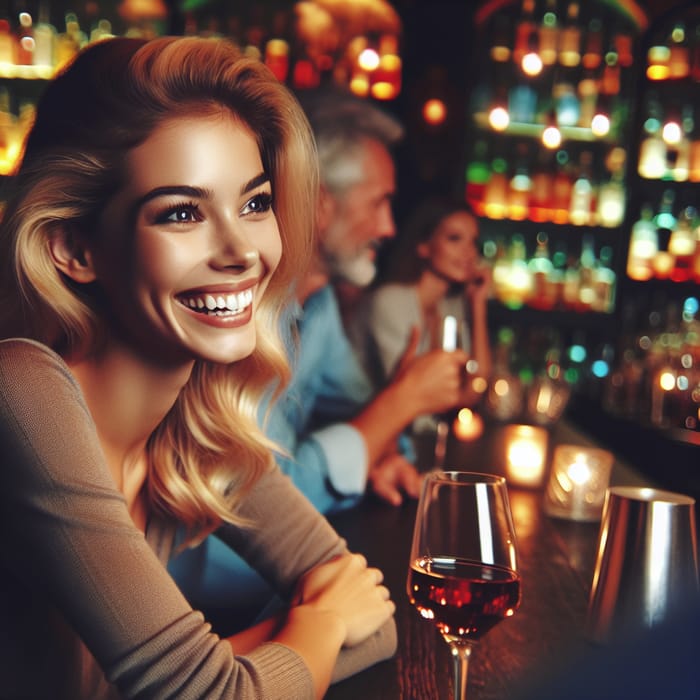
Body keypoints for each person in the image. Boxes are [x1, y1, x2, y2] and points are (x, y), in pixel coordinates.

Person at [0, 36, 397, 700]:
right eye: (181, 213)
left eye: (255, 202)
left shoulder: (199, 416)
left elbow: (377, 626)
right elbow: (210, 694)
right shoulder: (22, 390)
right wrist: (318, 626)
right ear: (73, 247)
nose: (242, 250)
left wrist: (229, 674)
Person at [167, 89, 469, 636]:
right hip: (206, 613)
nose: (389, 229)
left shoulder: (320, 304)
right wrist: (399, 405)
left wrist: (383, 449)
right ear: (320, 202)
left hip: (281, 603)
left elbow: (360, 410)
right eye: (379, 202)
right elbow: (246, 508)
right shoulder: (229, 309)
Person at [349, 195, 492, 413]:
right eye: (454, 238)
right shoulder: (390, 302)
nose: (469, 252)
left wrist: (478, 304)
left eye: (473, 241)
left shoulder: (450, 306)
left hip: (418, 431)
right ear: (424, 246)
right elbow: (411, 398)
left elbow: (475, 385)